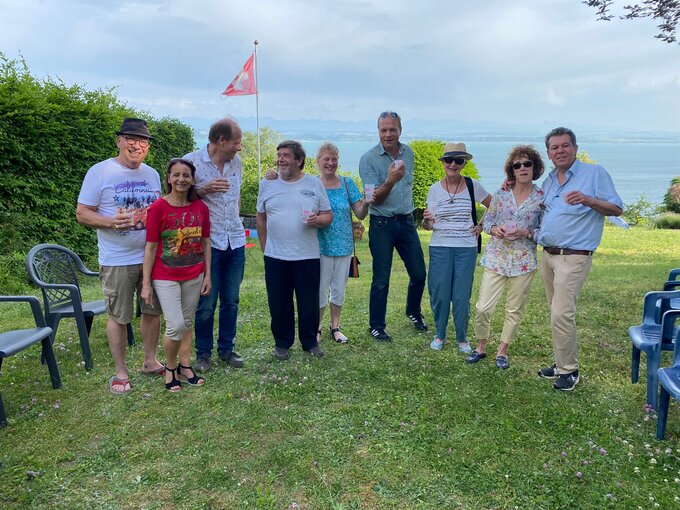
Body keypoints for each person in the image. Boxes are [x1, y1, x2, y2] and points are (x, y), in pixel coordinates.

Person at [76, 117, 164, 395]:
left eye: (143, 141)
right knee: (119, 315)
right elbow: (82, 213)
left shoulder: (152, 174)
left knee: (152, 311)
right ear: (119, 141)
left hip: (150, 257)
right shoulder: (100, 171)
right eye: (131, 139)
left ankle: (150, 361)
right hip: (117, 259)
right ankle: (120, 372)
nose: (137, 146)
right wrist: (110, 222)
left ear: (148, 147)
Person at [536, 127, 623, 391]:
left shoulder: (594, 174)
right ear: (549, 153)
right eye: (554, 147)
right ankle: (560, 362)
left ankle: (569, 371)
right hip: (548, 256)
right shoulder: (550, 181)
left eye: (565, 146)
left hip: (573, 257)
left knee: (562, 313)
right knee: (555, 311)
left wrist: (587, 199)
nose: (560, 151)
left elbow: (616, 208)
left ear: (575, 147)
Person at [466, 145, 545, 369]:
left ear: (535, 167)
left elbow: (546, 231)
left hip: (524, 261)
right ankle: (481, 346)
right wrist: (494, 230)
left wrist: (527, 232)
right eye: (517, 165)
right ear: (512, 170)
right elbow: (487, 223)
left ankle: (502, 351)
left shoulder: (542, 198)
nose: (522, 168)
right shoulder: (501, 194)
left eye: (527, 164)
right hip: (496, 258)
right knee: (483, 307)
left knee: (514, 309)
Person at [256, 141, 333, 360]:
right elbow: (260, 218)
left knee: (308, 302)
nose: (280, 159)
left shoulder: (314, 183)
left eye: (286, 155)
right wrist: (265, 247)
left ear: (299, 160)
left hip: (307, 255)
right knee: (279, 302)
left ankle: (310, 342)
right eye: (279, 155)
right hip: (275, 256)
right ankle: (282, 343)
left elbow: (328, 216)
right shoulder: (267, 184)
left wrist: (317, 220)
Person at [141, 158, 211, 391]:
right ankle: (171, 368)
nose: (181, 179)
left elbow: (206, 242)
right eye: (176, 175)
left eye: (186, 175)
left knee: (188, 322)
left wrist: (208, 275)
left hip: (194, 274)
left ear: (192, 180)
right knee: (176, 325)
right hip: (165, 275)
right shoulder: (158, 208)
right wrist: (146, 284)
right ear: (169, 179)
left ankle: (185, 365)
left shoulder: (200, 207)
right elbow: (151, 247)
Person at [359, 111, 427, 341]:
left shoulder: (409, 153)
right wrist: (389, 181)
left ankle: (413, 311)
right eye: (383, 130)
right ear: (378, 131)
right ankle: (376, 326)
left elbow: (407, 188)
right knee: (381, 279)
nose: (388, 134)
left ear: (400, 130)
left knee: (419, 273)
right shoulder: (368, 159)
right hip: (381, 224)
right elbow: (374, 199)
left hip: (406, 222)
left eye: (392, 129)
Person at [184, 118, 245, 372]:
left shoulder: (236, 163)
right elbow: (178, 198)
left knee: (231, 300)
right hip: (208, 243)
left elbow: (236, 197)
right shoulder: (191, 162)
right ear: (221, 140)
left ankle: (227, 349)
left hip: (235, 240)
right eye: (236, 142)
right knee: (206, 303)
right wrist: (203, 189)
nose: (239, 147)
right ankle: (203, 354)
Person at [422, 143, 491, 352]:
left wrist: (482, 225)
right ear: (443, 162)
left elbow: (493, 204)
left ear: (464, 164)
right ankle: (440, 334)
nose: (453, 164)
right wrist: (426, 221)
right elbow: (428, 225)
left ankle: (462, 337)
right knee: (440, 293)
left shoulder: (472, 185)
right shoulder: (434, 190)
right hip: (440, 247)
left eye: (458, 160)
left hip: (466, 248)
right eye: (449, 160)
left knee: (461, 295)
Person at [315, 143, 369, 343]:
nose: (330, 163)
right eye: (326, 159)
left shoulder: (347, 183)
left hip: (344, 246)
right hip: (319, 246)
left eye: (334, 159)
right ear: (318, 161)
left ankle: (335, 327)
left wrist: (367, 203)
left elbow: (360, 214)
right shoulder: (312, 184)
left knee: (339, 289)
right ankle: (316, 328)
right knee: (319, 290)